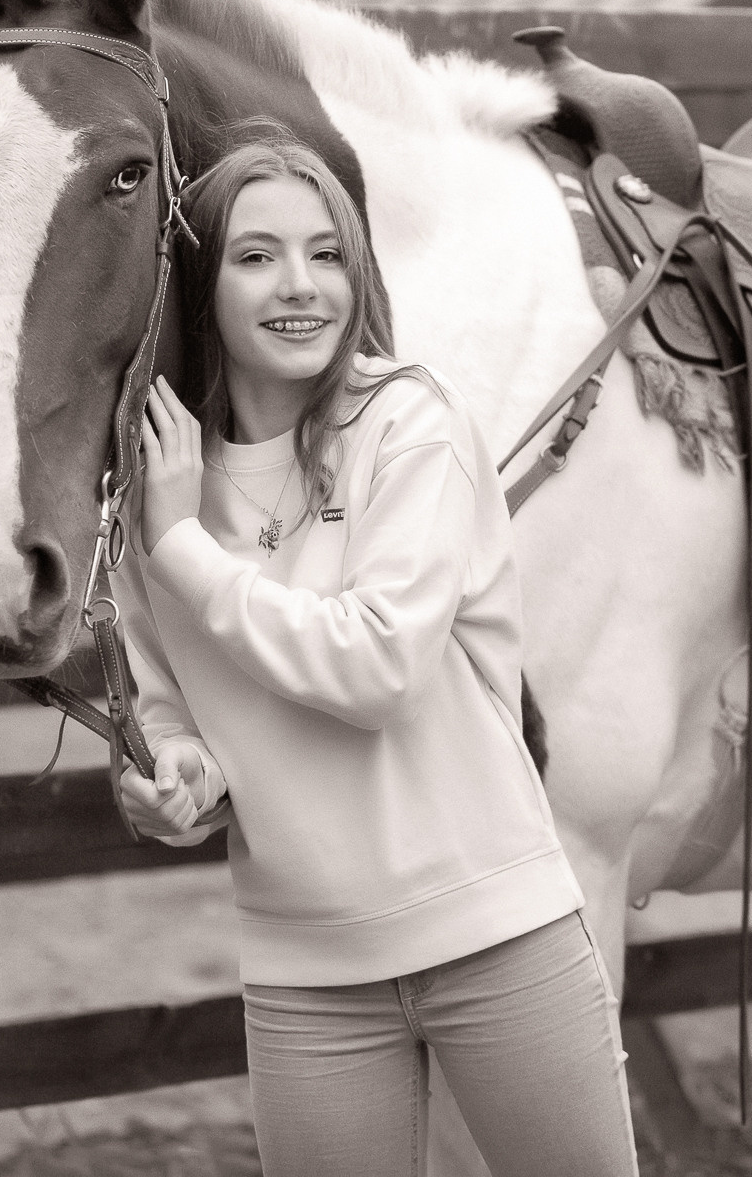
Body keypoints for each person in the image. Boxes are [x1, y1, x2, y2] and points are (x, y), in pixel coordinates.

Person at [112, 135, 639, 1177]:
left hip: (498, 931)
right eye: (257, 257)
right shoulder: (152, 485)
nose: (300, 286)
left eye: (328, 254)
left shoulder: (408, 421)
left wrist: (185, 550)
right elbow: (174, 701)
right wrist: (176, 774)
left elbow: (378, 669)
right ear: (199, 279)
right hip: (305, 966)